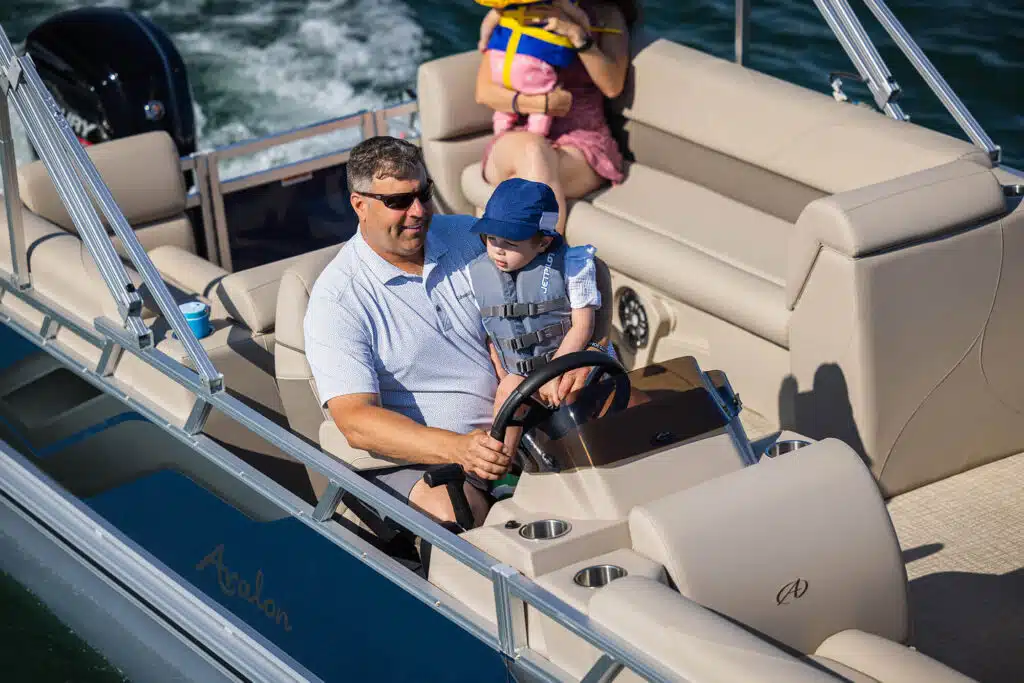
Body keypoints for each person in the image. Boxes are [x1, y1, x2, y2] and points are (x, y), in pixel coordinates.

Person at [304, 136, 595, 528]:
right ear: (360, 204)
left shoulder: (468, 237)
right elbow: (355, 420)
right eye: (398, 201)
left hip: (527, 416)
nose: (419, 211)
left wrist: (575, 353)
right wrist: (459, 449)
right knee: (453, 516)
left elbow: (555, 289)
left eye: (424, 194)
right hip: (432, 458)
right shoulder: (337, 300)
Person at [475, 0, 637, 234]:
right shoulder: (514, 9)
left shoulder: (606, 15)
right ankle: (543, 265)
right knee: (533, 150)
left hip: (581, 146)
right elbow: (485, 92)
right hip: (518, 135)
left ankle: (516, 263)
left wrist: (577, 35)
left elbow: (612, 86)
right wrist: (542, 104)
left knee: (529, 171)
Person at [467, 178, 603, 453]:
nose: (498, 249)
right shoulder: (477, 273)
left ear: (543, 243)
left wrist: (555, 372)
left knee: (574, 392)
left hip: (570, 366)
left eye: (510, 242)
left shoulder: (574, 266)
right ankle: (496, 463)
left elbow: (583, 326)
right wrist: (503, 371)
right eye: (491, 239)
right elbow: (492, 335)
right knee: (510, 388)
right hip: (521, 380)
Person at [475, 0, 585, 137]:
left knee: (503, 112)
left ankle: (501, 134)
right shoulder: (557, 3)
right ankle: (537, 135)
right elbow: (580, 17)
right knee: (540, 113)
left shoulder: (504, 4)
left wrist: (483, 42)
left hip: (501, 68)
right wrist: (585, 33)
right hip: (534, 71)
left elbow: (488, 22)